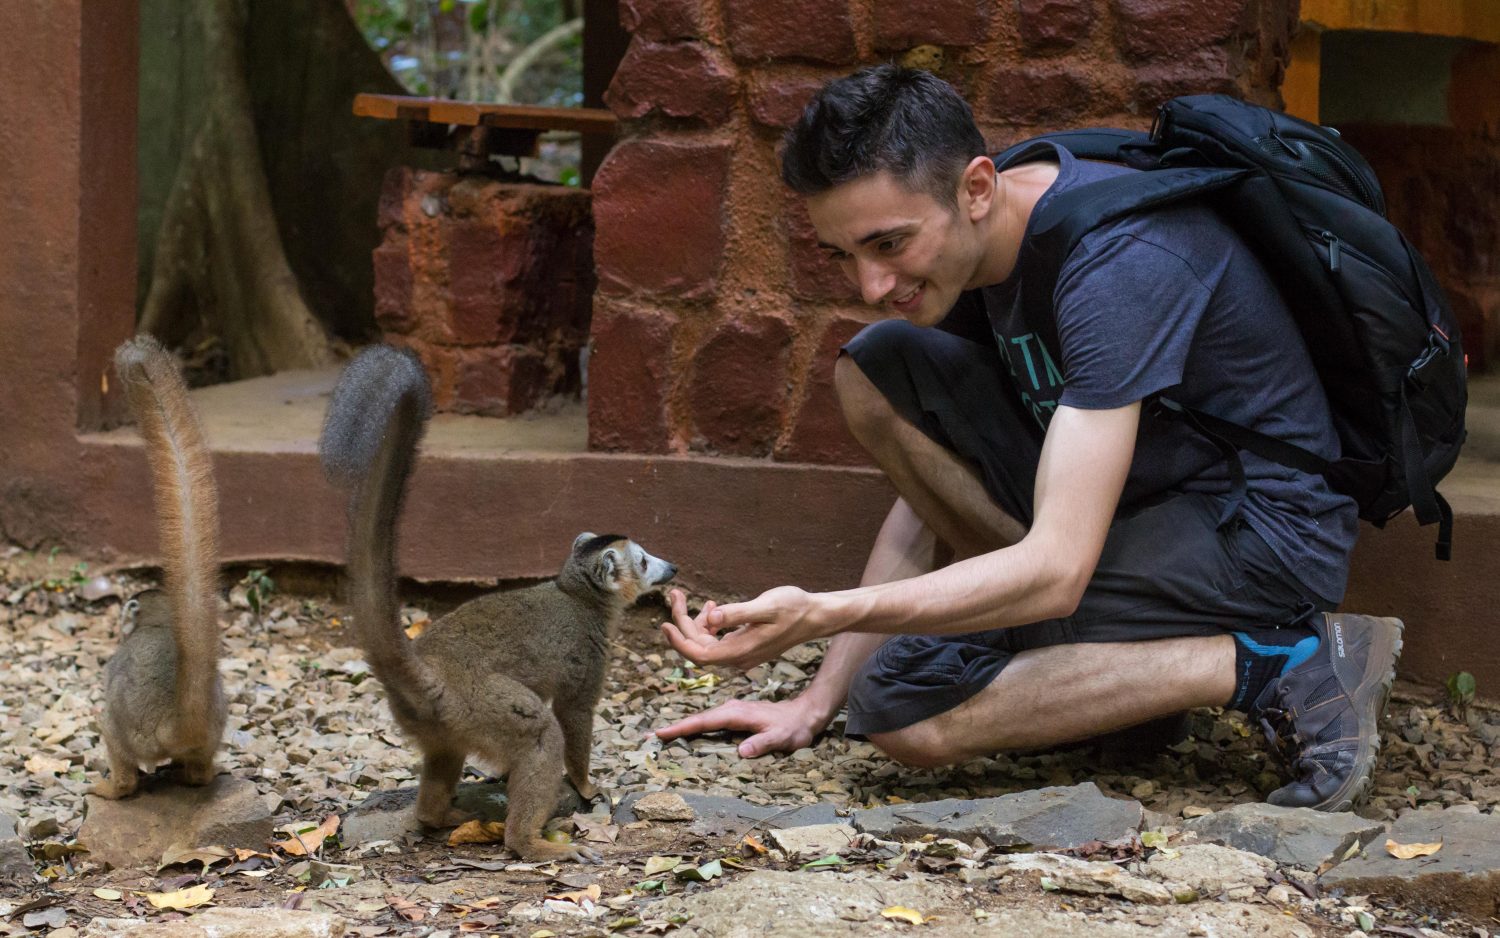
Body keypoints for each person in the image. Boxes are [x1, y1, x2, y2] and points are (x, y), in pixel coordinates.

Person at [655, 64, 1403, 811]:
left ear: (976, 189)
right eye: (845, 255)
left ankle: (1288, 664)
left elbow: (1055, 571)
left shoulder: (1114, 265)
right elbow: (938, 478)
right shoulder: (987, 239)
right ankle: (1124, 679)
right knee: (879, 367)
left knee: (902, 705)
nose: (870, 284)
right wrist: (814, 702)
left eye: (888, 244)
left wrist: (825, 612)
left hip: (1259, 531)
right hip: (1142, 495)